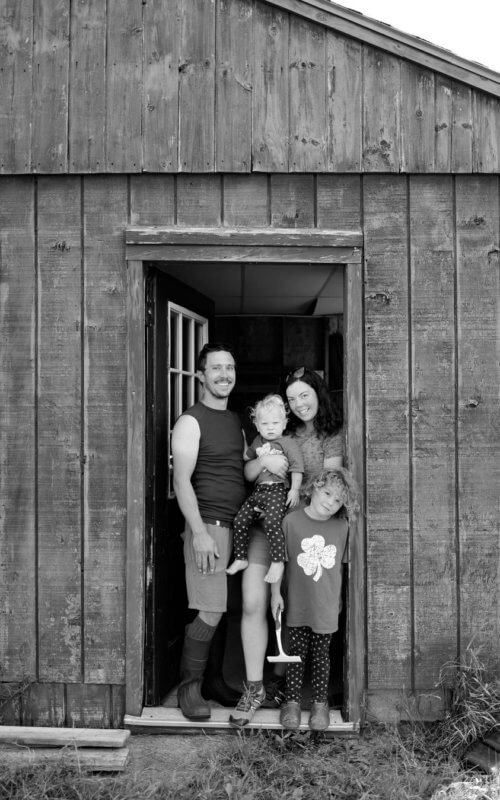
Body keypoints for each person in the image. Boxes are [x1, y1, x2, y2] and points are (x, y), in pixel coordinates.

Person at [229, 366, 344, 727]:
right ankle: (254, 688)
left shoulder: (331, 436)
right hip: (267, 526)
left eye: (304, 395)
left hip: (306, 529)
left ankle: (288, 688)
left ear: (318, 394)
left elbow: (331, 483)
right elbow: (248, 474)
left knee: (295, 610)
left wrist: (296, 487)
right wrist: (263, 460)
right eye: (291, 398)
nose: (298, 404)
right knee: (253, 602)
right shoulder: (277, 428)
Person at [171, 342, 246, 721]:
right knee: (209, 611)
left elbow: (242, 473)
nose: (224, 375)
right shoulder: (191, 421)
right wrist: (198, 532)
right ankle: (189, 690)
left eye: (229, 367)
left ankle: (214, 682)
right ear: (201, 374)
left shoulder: (234, 421)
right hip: (210, 528)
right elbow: (182, 481)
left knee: (227, 609)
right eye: (216, 368)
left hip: (239, 530)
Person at [270, 468, 359, 731]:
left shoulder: (342, 527)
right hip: (297, 600)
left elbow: (342, 569)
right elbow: (279, 563)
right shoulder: (291, 522)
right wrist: (275, 594)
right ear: (314, 489)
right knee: (295, 654)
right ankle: (292, 703)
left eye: (338, 500)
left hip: (326, 604)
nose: (330, 502)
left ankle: (320, 704)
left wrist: (341, 601)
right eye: (327, 493)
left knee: (321, 655)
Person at [226, 394, 304, 584]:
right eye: (265, 423)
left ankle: (277, 562)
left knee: (271, 523)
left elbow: (297, 468)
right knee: (240, 520)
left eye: (275, 423)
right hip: (259, 491)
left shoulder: (288, 443)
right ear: (257, 425)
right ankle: (241, 558)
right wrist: (242, 438)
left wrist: (294, 490)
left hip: (278, 490)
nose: (270, 428)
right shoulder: (258, 442)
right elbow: (247, 457)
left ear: (284, 424)